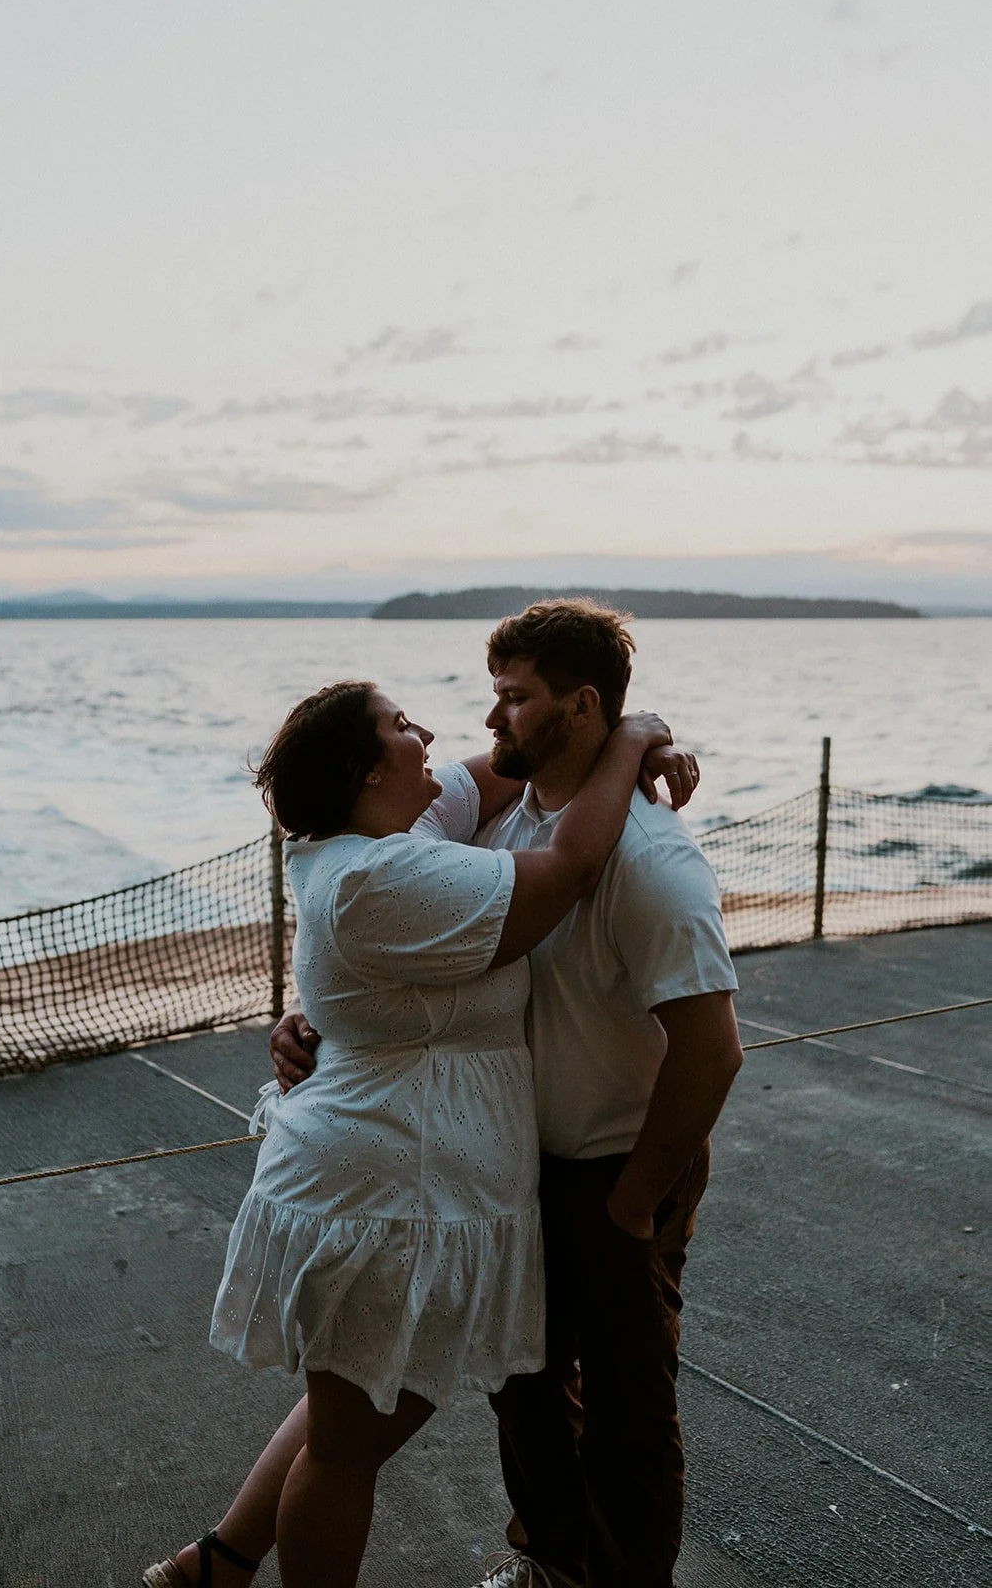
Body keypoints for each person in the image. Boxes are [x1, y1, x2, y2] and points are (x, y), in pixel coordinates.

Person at [143, 676, 685, 1588]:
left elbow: (495, 774)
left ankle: (222, 1562)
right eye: (402, 726)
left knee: (350, 1406)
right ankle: (228, 1565)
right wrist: (631, 739)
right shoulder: (389, 873)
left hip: (395, 1181)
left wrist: (603, 737)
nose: (426, 730)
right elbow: (569, 867)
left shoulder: (382, 840)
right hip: (394, 1194)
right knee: (348, 1445)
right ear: (362, 771)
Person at [273, 600, 743, 1588]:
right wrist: (326, 1015)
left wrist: (634, 1192)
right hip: (516, 1164)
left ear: (577, 709)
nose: (483, 722)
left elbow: (712, 1051)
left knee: (625, 1407)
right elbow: (409, 931)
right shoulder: (498, 821)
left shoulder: (649, 862)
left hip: (614, 1162)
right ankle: (549, 1559)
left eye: (512, 699)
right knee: (523, 1386)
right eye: (491, 696)